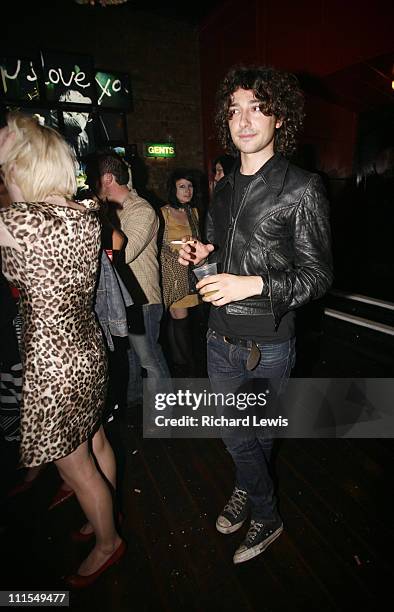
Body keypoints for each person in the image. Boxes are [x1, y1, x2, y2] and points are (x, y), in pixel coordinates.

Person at [179, 65, 333, 564]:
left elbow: (318, 276)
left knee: (255, 438)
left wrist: (255, 284)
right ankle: (257, 495)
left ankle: (264, 513)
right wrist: (200, 260)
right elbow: (215, 267)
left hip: (269, 343)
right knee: (236, 437)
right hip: (219, 338)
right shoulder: (221, 191)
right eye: (234, 109)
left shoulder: (302, 187)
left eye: (257, 107)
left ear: (279, 116)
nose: (243, 120)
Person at [0, 113, 125, 587]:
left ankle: (108, 542)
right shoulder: (88, 214)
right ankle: (101, 518)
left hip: (53, 361)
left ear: (21, 168)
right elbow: (113, 241)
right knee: (95, 440)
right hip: (88, 347)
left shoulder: (16, 223)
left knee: (73, 464)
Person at [85, 152, 171, 409]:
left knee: (149, 359)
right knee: (131, 358)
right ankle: (135, 407)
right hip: (124, 298)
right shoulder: (113, 211)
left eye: (94, 179)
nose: (91, 185)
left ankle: (166, 413)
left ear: (108, 178)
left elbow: (121, 253)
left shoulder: (141, 209)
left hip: (144, 297)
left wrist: (98, 218)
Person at [160, 169, 201, 377]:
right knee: (180, 320)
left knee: (180, 321)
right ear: (173, 189)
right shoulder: (164, 212)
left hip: (190, 272)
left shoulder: (193, 212)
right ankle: (190, 366)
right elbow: (159, 244)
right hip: (173, 273)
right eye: (182, 186)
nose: (187, 191)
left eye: (190, 186)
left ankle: (179, 361)